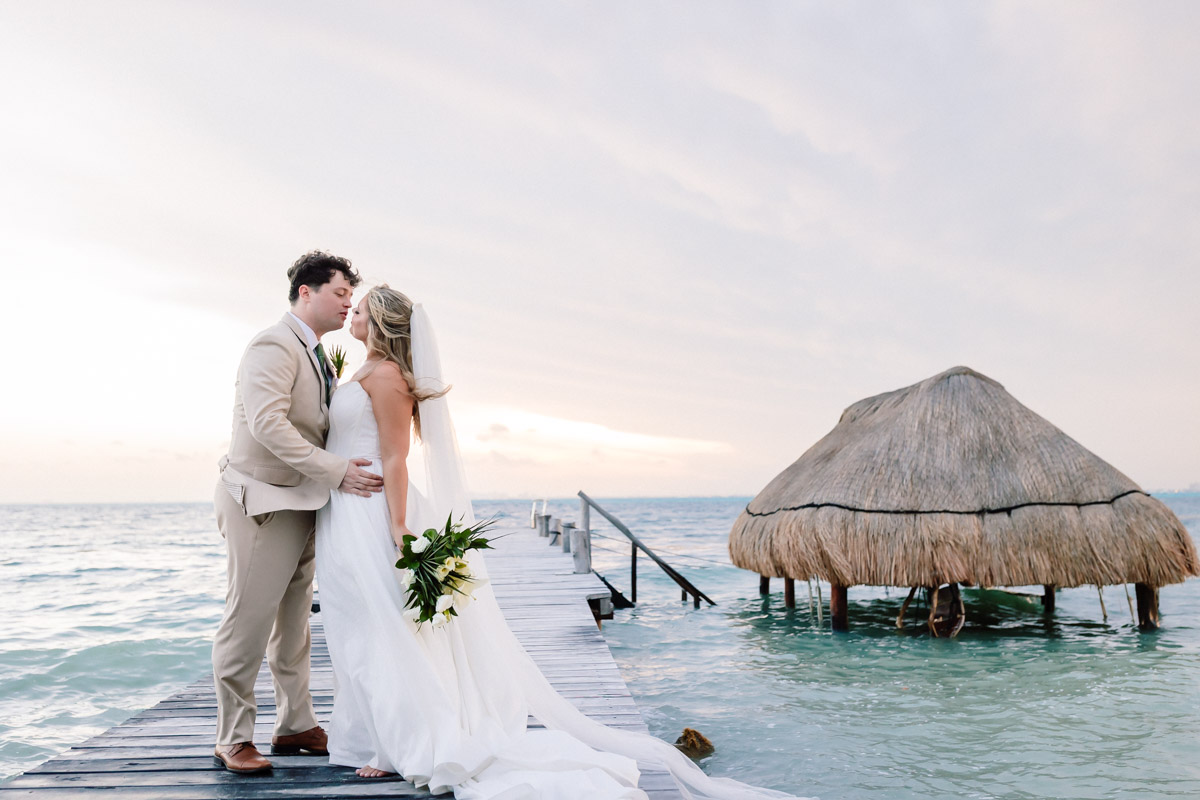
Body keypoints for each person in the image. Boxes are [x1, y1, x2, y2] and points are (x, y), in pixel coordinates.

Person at [315, 285, 801, 799]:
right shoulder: (364, 371)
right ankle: (368, 732)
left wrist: (398, 527)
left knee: (383, 629)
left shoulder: (388, 376)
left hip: (372, 513)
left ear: (384, 322)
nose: (353, 316)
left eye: (362, 310)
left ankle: (399, 745)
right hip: (344, 513)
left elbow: (395, 457)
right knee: (355, 626)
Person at [211, 252, 384, 774]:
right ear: (306, 293)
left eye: (351, 297)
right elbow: (269, 425)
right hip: (263, 502)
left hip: (304, 503)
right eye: (339, 294)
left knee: (294, 626)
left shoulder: (315, 352)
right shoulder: (273, 343)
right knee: (247, 620)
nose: (348, 303)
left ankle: (295, 725)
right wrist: (336, 471)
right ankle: (233, 736)